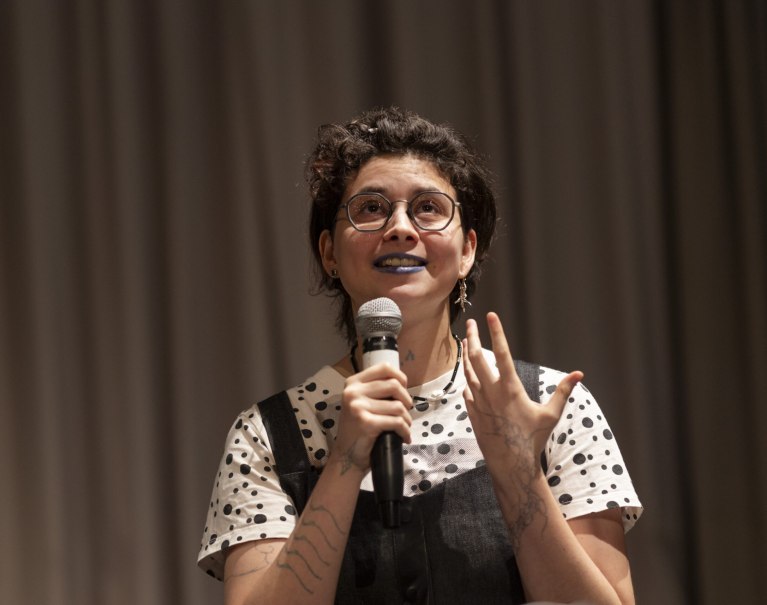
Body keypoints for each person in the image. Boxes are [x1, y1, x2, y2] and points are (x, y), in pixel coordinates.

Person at [198, 107, 642, 604]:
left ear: (468, 250)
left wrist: (520, 472)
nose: (401, 228)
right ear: (329, 253)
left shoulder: (553, 407)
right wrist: (344, 460)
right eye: (370, 208)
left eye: (429, 208)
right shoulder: (267, 435)